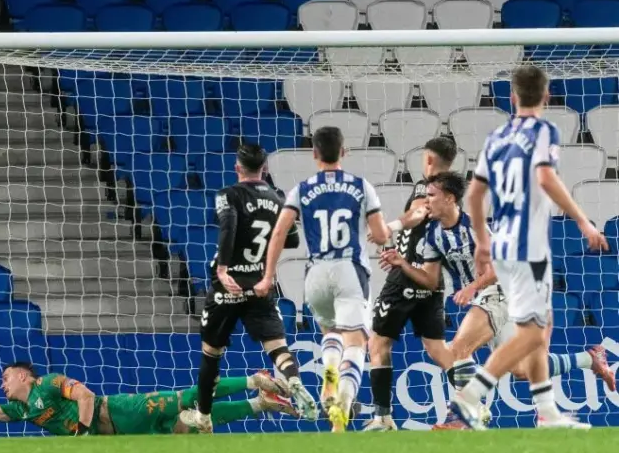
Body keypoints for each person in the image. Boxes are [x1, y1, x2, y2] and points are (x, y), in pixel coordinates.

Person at [381, 171, 614, 429]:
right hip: (487, 297)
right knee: (522, 370)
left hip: (502, 290)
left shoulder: (474, 228)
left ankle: (464, 415)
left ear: (449, 198)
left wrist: (471, 288)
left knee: (458, 349)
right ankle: (590, 357)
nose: (427, 202)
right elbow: (430, 280)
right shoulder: (432, 237)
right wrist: (402, 264)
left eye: (432, 196)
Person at [452, 64, 609, 430]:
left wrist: (480, 242)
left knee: (541, 327)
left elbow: (474, 194)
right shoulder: (543, 129)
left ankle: (549, 413)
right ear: (547, 96)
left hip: (502, 244)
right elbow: (544, 176)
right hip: (529, 247)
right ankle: (470, 395)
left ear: (512, 97)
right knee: (535, 333)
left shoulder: (497, 137)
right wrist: (582, 220)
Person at [253, 126, 391, 432]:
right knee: (355, 342)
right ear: (344, 152)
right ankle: (343, 398)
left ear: (314, 154)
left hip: (315, 273)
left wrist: (268, 275)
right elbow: (380, 234)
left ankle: (329, 373)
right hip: (349, 270)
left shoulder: (301, 189)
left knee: (329, 331)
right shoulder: (360, 186)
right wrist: (379, 233)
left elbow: (279, 231)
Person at [190, 143, 318, 432]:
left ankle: (204, 417)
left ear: (237, 167)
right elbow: (293, 240)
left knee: (212, 351)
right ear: (265, 169)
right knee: (277, 346)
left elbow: (228, 226)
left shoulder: (229, 195)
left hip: (229, 286)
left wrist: (223, 268)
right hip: (260, 284)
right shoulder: (278, 199)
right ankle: (293, 379)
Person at [364, 137, 461, 432]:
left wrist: (389, 228)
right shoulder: (451, 193)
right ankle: (472, 404)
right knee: (437, 349)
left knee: (379, 343)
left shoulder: (426, 187)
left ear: (429, 159)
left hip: (404, 279)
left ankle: (383, 417)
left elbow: (418, 211)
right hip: (431, 280)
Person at [0, 363, 298, 436]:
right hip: (122, 434)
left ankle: (254, 381)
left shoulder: (51, 383)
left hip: (121, 410)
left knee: (186, 397)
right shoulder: (21, 410)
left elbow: (87, 396)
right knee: (193, 422)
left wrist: (82, 432)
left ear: (25, 376)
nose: (2, 386)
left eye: (6, 378)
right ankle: (260, 404)